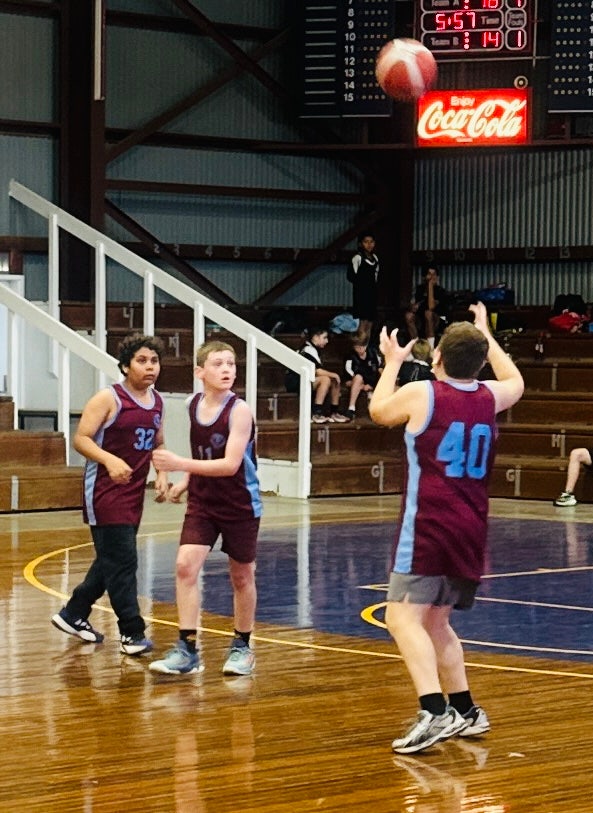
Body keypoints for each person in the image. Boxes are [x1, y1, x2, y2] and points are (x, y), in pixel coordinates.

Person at [369, 302, 524, 755]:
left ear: (436, 357)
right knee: (436, 620)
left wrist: (392, 363)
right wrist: (485, 335)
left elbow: (379, 410)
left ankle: (434, 711)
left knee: (400, 615)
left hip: (429, 523)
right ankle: (467, 711)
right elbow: (515, 379)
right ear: (480, 362)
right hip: (471, 525)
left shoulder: (424, 394)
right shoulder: (491, 396)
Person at [148, 340, 262, 676]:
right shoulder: (192, 403)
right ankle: (187, 649)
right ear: (200, 372)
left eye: (231, 364)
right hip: (203, 500)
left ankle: (242, 645)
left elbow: (229, 465)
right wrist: (185, 481)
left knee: (241, 576)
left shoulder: (240, 410)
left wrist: (180, 464)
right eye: (218, 364)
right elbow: (204, 454)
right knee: (185, 565)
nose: (227, 369)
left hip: (240, 502)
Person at [51, 334, 168, 656]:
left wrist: (163, 475)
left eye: (154, 361)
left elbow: (158, 443)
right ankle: (132, 633)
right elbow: (81, 439)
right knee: (124, 562)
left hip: (133, 495)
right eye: (142, 361)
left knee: (111, 560)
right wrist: (110, 458)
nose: (149, 367)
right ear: (126, 365)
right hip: (104, 492)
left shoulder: (157, 402)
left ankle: (73, 612)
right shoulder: (108, 398)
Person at [286, 326, 350, 424]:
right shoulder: (308, 349)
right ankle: (317, 413)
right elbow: (316, 371)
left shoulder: (314, 349)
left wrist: (334, 376)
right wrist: (334, 374)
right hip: (295, 381)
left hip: (306, 379)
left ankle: (334, 412)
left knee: (333, 380)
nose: (327, 341)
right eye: (324, 338)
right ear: (315, 337)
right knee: (326, 379)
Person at [405, 265, 449, 346]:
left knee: (428, 313)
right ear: (424, 277)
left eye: (434, 274)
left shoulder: (441, 291)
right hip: (421, 319)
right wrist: (413, 306)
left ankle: (430, 348)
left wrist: (430, 286)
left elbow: (431, 307)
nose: (432, 277)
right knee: (408, 316)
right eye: (429, 274)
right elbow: (411, 305)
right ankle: (416, 347)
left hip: (440, 319)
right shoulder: (419, 289)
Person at [348, 232, 380, 339]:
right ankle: (359, 347)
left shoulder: (375, 258)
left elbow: (376, 276)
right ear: (361, 244)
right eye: (366, 242)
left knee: (370, 323)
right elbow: (351, 276)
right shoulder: (358, 257)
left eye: (371, 242)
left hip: (372, 294)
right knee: (363, 322)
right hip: (361, 295)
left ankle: (366, 348)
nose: (369, 244)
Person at [344, 336, 383, 421]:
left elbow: (378, 369)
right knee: (358, 378)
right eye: (357, 347)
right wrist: (362, 384)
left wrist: (371, 385)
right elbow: (349, 372)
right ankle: (351, 408)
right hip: (356, 380)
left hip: (371, 380)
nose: (360, 349)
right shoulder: (350, 356)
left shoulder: (373, 353)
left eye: (363, 346)